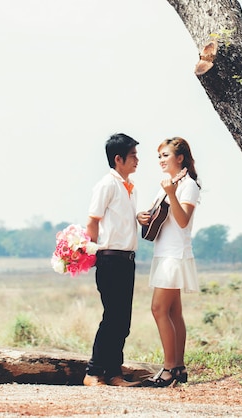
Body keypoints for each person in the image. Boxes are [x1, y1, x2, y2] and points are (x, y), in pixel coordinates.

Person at [83, 133, 147, 387]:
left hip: (126, 259)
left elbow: (121, 221)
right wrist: (93, 252)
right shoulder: (107, 185)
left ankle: (114, 373)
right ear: (118, 159)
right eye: (133, 156)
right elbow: (93, 220)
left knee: (123, 320)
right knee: (112, 318)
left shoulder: (129, 188)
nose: (137, 160)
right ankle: (93, 373)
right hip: (110, 258)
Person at [138, 136, 200, 388]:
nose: (161, 160)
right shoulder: (168, 184)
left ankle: (168, 368)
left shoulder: (189, 185)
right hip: (164, 252)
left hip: (175, 255)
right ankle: (179, 367)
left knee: (159, 309)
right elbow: (159, 216)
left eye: (165, 155)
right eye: (159, 156)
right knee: (173, 312)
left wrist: (171, 194)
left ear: (180, 158)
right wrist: (142, 216)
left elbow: (183, 220)